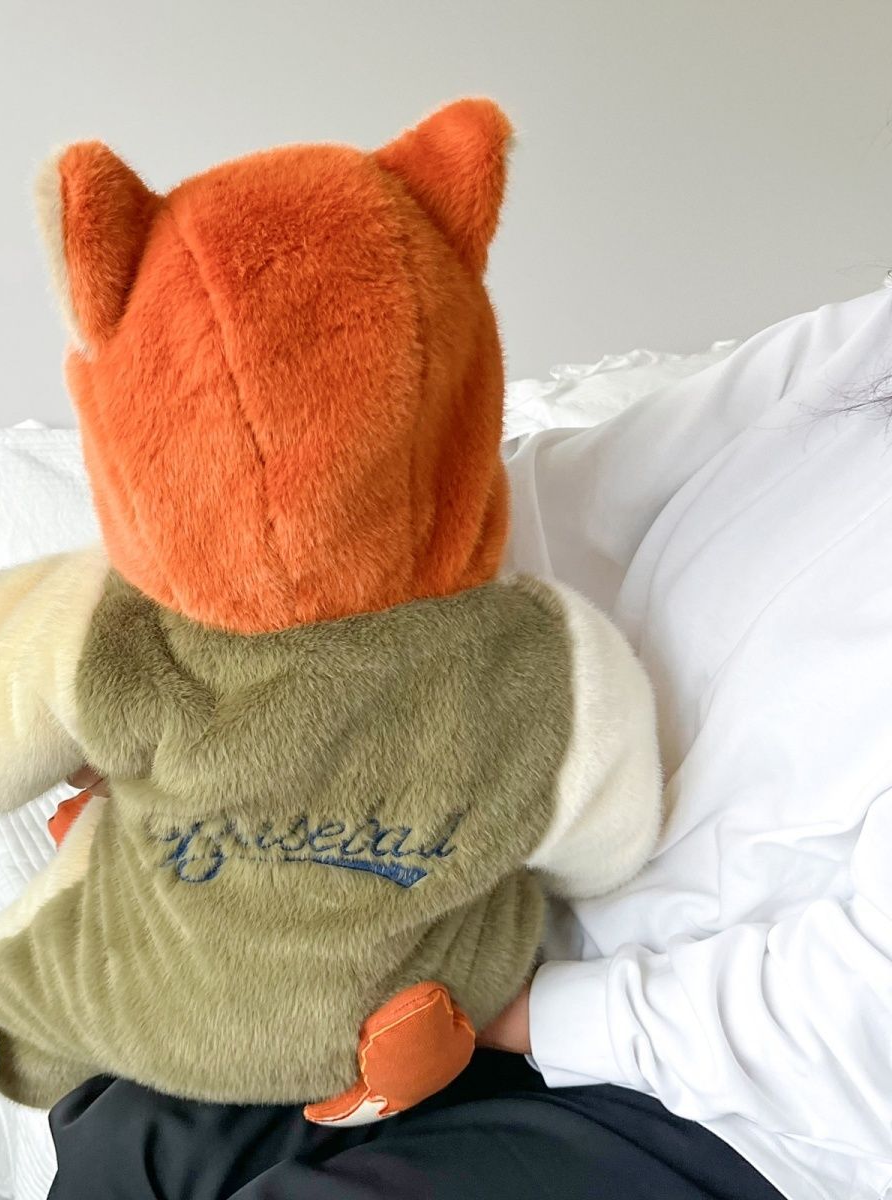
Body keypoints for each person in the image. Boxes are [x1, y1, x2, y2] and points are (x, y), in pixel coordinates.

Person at [46, 285, 892, 1200]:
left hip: (764, 1114)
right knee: (140, 1126)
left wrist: (503, 1010)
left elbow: (862, 1017)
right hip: (532, 932)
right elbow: (560, 503)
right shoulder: (863, 349)